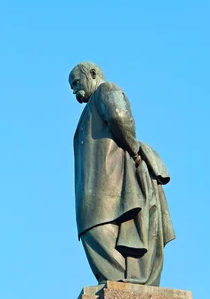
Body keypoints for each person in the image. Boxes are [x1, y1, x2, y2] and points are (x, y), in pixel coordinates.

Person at [69, 62, 175, 286]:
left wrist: (134, 148)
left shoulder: (106, 91)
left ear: (93, 74)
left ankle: (129, 281)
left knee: (98, 230)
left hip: (110, 185)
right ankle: (122, 284)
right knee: (92, 232)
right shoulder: (87, 111)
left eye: (76, 82)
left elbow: (119, 116)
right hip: (93, 192)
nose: (74, 90)